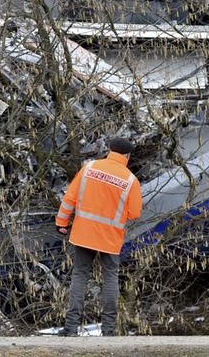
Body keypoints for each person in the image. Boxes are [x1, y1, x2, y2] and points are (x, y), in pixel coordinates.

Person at [55, 137, 142, 337]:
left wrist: (61, 223)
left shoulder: (89, 168)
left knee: (79, 276)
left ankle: (70, 328)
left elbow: (70, 197)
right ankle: (109, 330)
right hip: (110, 238)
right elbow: (135, 213)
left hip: (83, 233)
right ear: (127, 156)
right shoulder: (130, 180)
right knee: (110, 278)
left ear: (110, 150)